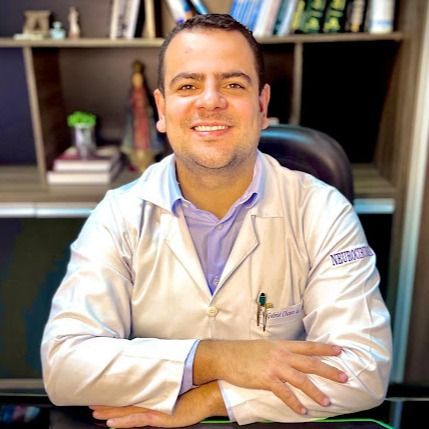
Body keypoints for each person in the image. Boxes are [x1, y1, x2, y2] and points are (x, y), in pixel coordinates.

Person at [41, 14, 392, 428]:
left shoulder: (321, 210)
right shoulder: (119, 215)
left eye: (233, 85)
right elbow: (64, 366)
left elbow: (364, 370)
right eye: (188, 86)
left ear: (261, 106)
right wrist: (216, 357)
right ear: (161, 108)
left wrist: (214, 398)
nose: (210, 101)